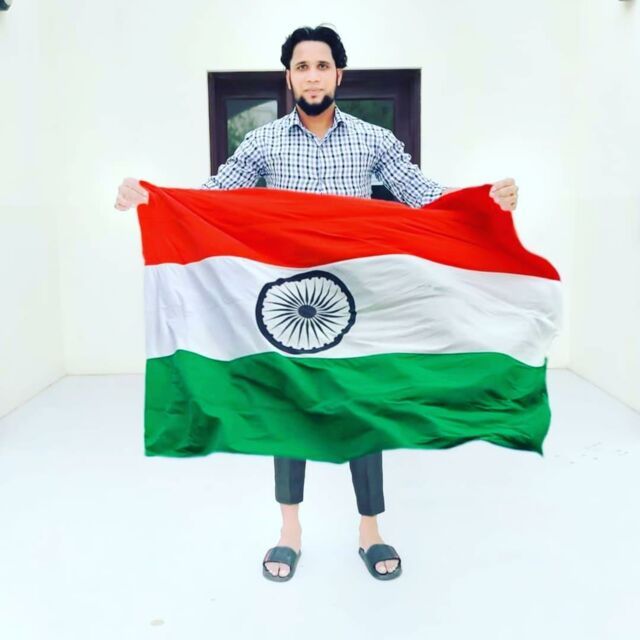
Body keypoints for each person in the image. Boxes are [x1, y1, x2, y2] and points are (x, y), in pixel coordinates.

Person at [115, 24, 519, 583]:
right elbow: (211, 197)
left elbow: (424, 196)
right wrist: (152, 199)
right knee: (290, 409)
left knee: (363, 407)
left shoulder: (373, 141)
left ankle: (370, 531)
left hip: (356, 297)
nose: (312, 76)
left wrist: (483, 200)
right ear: (289, 78)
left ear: (338, 75)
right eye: (302, 67)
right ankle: (290, 532)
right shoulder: (263, 143)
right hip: (288, 300)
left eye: (321, 66)